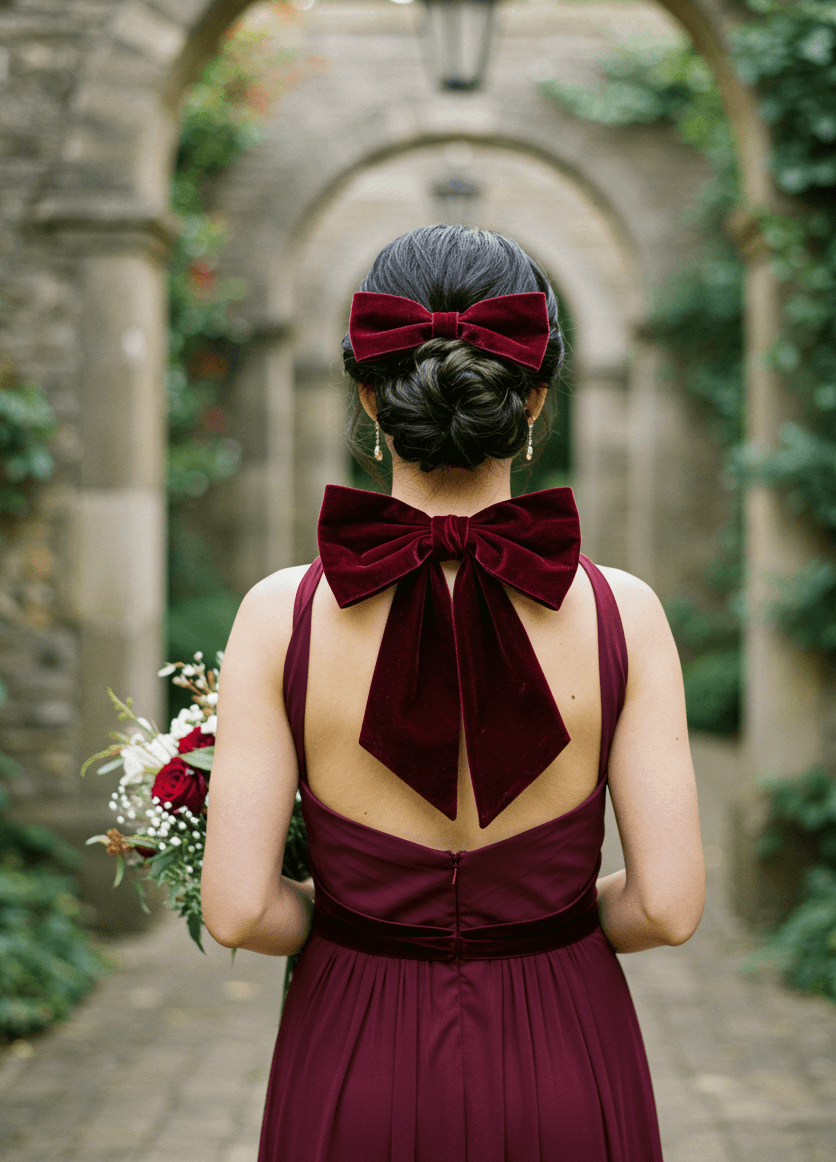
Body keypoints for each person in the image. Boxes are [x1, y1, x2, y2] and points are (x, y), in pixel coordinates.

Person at [201, 225, 705, 1161]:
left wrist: (350, 920)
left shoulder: (283, 615)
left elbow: (236, 908)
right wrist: (540, 925)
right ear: (537, 398)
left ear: (367, 395)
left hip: (351, 1057)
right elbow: (669, 906)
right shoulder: (622, 613)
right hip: (567, 1050)